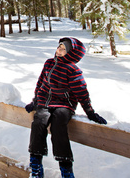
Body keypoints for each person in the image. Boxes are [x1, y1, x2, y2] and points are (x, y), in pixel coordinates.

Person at [25, 37, 107, 178]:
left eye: (64, 49)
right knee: (38, 122)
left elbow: (82, 92)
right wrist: (36, 100)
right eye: (59, 47)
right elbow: (40, 83)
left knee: (58, 126)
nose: (60, 51)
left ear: (71, 53)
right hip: (45, 102)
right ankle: (36, 165)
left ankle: (66, 169)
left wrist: (90, 112)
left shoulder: (73, 70)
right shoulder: (49, 63)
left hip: (64, 105)